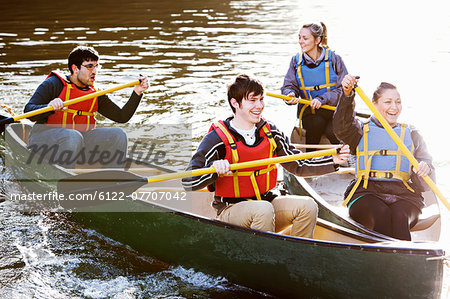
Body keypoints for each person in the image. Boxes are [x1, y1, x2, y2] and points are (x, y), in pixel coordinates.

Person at [182, 74, 350, 238]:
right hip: (231, 210)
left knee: (307, 206)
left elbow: (297, 164)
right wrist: (213, 170)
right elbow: (188, 182)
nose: (259, 106)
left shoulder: (271, 131)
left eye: (261, 99)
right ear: (235, 103)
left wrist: (333, 161)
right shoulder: (216, 139)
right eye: (253, 100)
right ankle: (263, 261)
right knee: (263, 210)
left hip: (267, 204)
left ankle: (295, 257)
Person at [333, 74, 434, 240]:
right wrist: (347, 93)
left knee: (400, 216)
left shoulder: (412, 134)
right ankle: (387, 261)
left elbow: (426, 183)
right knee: (381, 213)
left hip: (404, 194)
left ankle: (405, 262)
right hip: (366, 192)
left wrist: (424, 168)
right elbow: (340, 126)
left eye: (398, 102)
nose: (394, 107)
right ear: (374, 104)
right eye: (388, 102)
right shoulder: (359, 130)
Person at [24, 45, 149, 168]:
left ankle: (111, 178)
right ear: (75, 68)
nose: (94, 71)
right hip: (44, 140)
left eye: (96, 67)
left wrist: (137, 92)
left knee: (118, 134)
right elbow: (28, 110)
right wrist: (49, 106)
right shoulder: (54, 84)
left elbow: (122, 117)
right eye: (89, 67)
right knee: (73, 136)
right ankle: (65, 179)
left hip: (77, 142)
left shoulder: (95, 94)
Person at [281, 22, 348, 151]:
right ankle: (310, 161)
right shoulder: (295, 61)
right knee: (316, 123)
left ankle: (348, 158)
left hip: (334, 110)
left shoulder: (335, 59)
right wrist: (290, 94)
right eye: (299, 37)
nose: (301, 42)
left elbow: (343, 90)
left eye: (305, 38)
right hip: (310, 111)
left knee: (332, 130)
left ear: (317, 40)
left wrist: (322, 99)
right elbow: (289, 85)